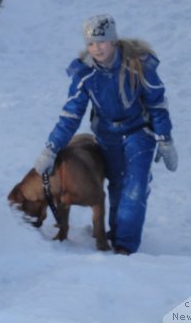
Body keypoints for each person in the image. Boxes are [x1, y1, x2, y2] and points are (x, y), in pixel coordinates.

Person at [34, 14, 177, 255]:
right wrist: (51, 148)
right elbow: (71, 114)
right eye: (91, 43)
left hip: (139, 132)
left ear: (113, 40)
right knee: (118, 185)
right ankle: (116, 233)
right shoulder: (85, 74)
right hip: (107, 135)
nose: (96, 48)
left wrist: (165, 139)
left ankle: (125, 246)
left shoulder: (138, 66)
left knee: (136, 186)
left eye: (101, 41)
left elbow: (157, 104)